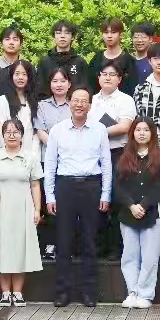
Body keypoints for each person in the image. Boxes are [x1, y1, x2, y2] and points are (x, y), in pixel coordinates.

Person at [44, 87, 112, 307]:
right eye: (76, 100)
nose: (79, 104)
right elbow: (50, 164)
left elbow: (106, 163)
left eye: (84, 101)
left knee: (89, 241)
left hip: (92, 185)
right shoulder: (57, 130)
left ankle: (88, 292)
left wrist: (106, 193)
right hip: (65, 186)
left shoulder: (99, 129)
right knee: (63, 241)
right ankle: (62, 292)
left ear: (90, 105)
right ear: (69, 103)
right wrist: (50, 195)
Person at [0, 118, 44, 307]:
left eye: (16, 132)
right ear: (2, 136)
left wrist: (37, 209)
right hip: (1, 207)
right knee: (2, 248)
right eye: (8, 132)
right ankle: (5, 293)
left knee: (20, 248)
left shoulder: (31, 157)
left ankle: (17, 292)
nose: (12, 135)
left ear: (22, 135)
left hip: (24, 207)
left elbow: (35, 185)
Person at [114, 117, 160, 308]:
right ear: (132, 133)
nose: (142, 133)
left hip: (151, 214)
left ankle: (145, 294)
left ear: (152, 133)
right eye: (138, 130)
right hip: (128, 213)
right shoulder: (124, 156)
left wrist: (144, 206)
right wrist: (131, 205)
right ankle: (132, 292)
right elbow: (117, 186)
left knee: (150, 256)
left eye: (146, 130)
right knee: (129, 255)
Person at [88, 60, 138, 258]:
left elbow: (124, 127)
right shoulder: (91, 100)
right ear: (98, 77)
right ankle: (98, 246)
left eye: (112, 74)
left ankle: (116, 248)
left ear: (119, 79)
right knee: (96, 199)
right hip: (94, 155)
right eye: (104, 74)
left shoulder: (125, 100)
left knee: (117, 199)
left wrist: (97, 132)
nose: (107, 78)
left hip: (118, 153)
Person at [34, 68, 73, 261]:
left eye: (63, 81)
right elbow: (40, 130)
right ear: (49, 84)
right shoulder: (41, 106)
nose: (59, 84)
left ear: (69, 84)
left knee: (65, 204)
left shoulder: (74, 104)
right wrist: (56, 147)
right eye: (55, 81)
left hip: (69, 162)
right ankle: (48, 245)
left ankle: (66, 245)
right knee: (47, 202)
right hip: (47, 160)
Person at [0, 60, 42, 164]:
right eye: (17, 74)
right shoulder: (3, 100)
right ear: (11, 76)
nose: (20, 77)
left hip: (29, 156)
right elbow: (1, 129)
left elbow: (36, 132)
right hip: (7, 155)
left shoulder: (35, 102)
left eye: (24, 74)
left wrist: (33, 156)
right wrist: (9, 153)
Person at [38, 20, 89, 97]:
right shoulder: (44, 62)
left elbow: (85, 88)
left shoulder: (80, 62)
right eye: (58, 33)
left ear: (72, 37)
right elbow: (40, 89)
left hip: (74, 103)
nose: (62, 36)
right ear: (53, 36)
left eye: (67, 33)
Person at [89, 17, 138, 95]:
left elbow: (132, 88)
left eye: (113, 32)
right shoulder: (97, 59)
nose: (109, 36)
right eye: (106, 32)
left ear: (120, 35)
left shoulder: (129, 61)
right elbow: (90, 85)